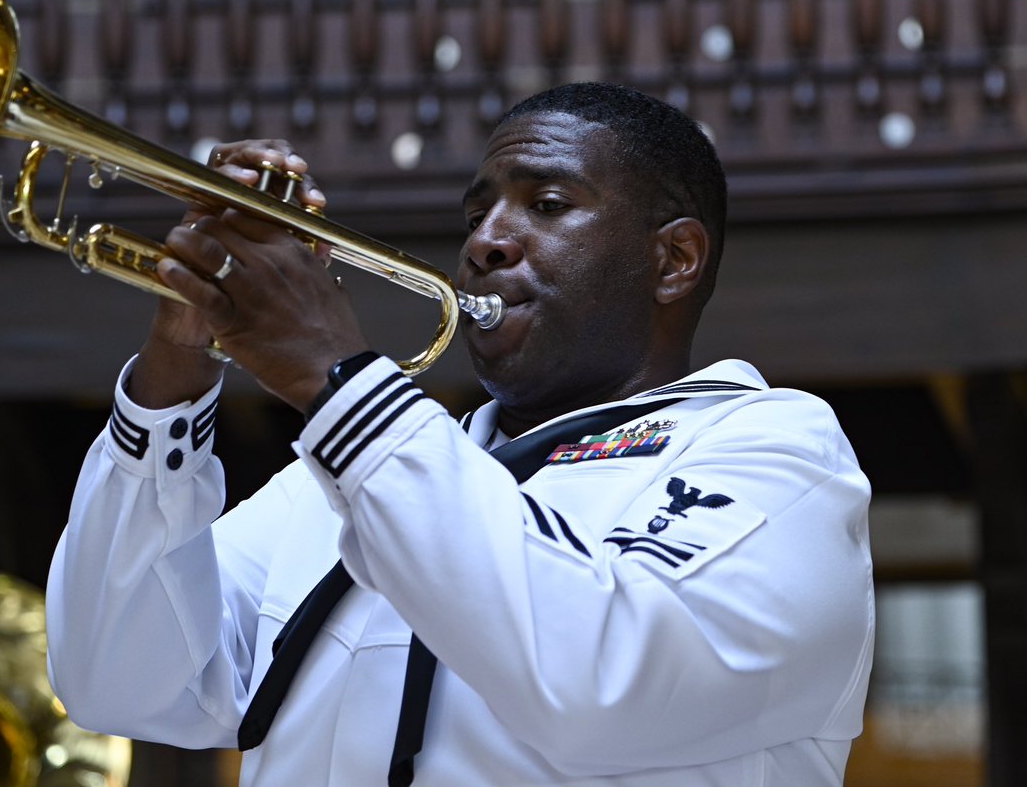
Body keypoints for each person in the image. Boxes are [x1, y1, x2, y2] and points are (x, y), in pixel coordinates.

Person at [45, 82, 874, 786]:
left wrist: (336, 376)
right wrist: (176, 366)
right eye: (478, 213)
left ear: (674, 261)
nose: (484, 241)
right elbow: (115, 677)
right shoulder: (338, 479)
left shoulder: (774, 451)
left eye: (546, 205)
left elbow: (593, 679)